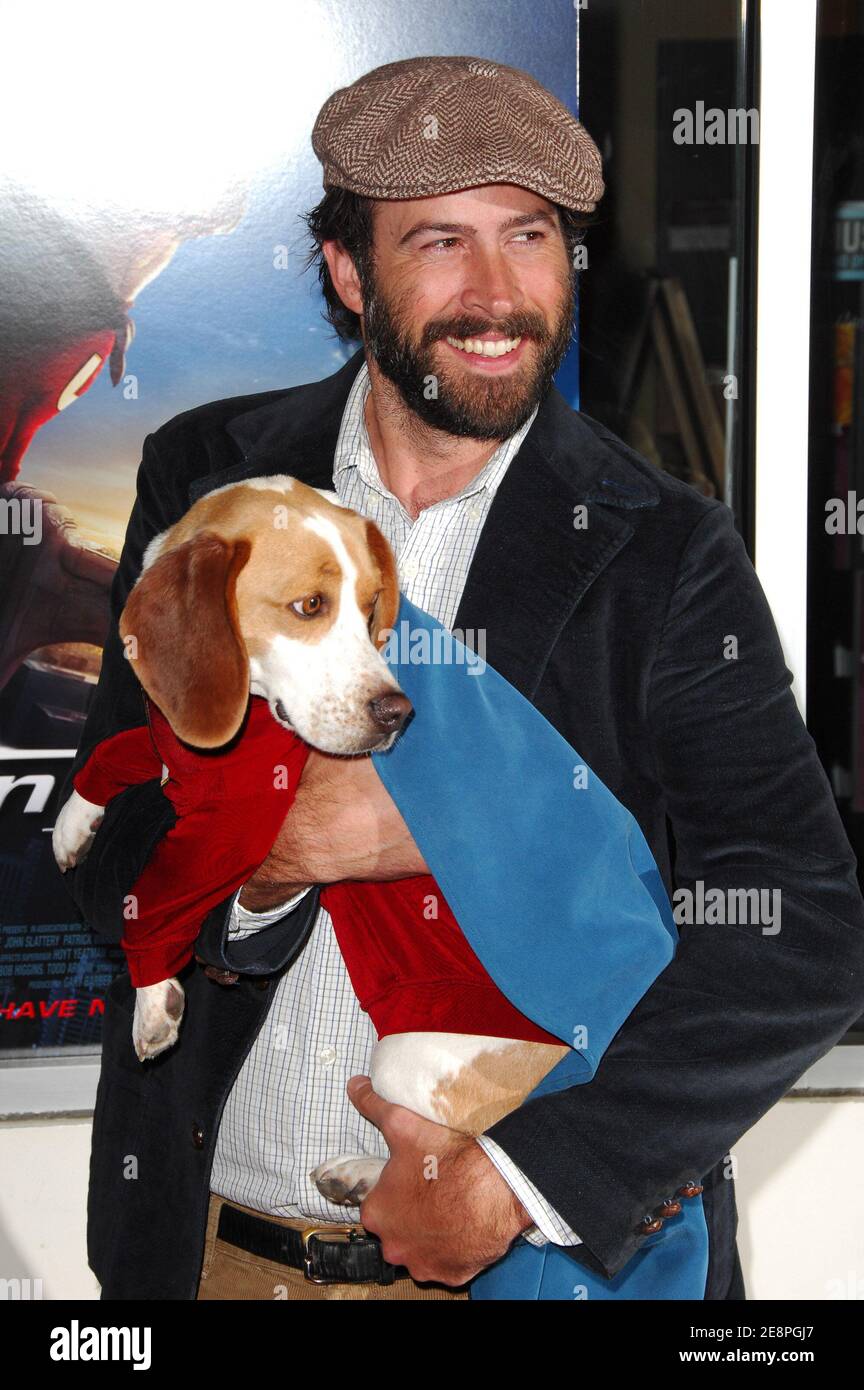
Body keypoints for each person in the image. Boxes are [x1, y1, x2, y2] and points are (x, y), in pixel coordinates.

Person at [65, 55, 864, 1301]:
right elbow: (109, 840)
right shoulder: (208, 476)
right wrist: (269, 861)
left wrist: (518, 1182)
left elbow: (800, 927)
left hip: (531, 1265)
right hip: (215, 1256)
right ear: (348, 272)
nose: (498, 294)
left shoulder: (666, 549)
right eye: (441, 241)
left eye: (530, 237)